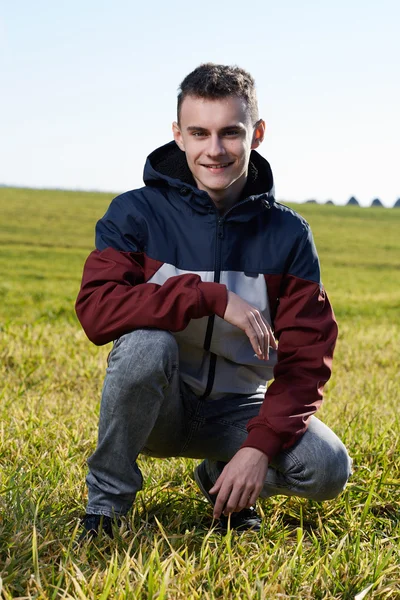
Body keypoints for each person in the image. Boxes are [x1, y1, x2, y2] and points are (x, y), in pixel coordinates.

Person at [75, 63, 352, 539]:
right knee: (146, 344)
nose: (215, 149)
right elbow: (98, 311)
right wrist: (211, 298)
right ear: (178, 135)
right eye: (199, 133)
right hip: (161, 408)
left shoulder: (288, 235)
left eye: (231, 132)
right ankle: (106, 508)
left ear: (257, 134)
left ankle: (221, 477)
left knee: (328, 468)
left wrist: (258, 448)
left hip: (238, 412)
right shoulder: (135, 213)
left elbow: (307, 359)